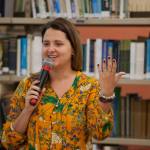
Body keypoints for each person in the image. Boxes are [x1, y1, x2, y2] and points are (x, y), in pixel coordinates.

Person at [0, 17, 125, 150]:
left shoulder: (89, 86)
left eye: (58, 44)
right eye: (46, 43)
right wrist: (27, 111)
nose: (50, 49)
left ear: (73, 49)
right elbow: (8, 142)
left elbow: (100, 134)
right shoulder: (28, 85)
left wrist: (106, 94)